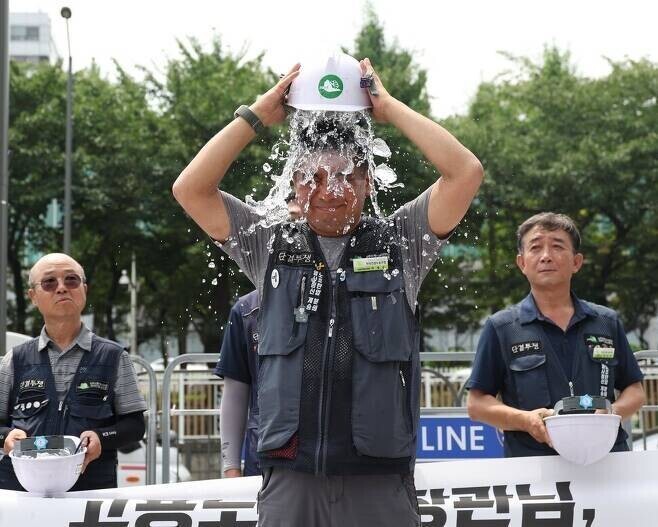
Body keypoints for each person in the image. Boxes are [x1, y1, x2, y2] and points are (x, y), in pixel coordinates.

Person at [173, 54, 483, 526]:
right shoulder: (270, 245)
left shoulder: (402, 243)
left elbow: (465, 172)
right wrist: (256, 116)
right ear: (294, 185)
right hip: (291, 478)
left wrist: (390, 108)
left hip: (379, 477)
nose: (329, 189)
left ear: (366, 182)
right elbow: (190, 189)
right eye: (314, 177)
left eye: (344, 177)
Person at [466, 213, 646, 457]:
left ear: (576, 262)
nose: (546, 256)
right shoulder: (502, 327)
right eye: (536, 247)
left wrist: (611, 413)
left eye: (558, 246)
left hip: (607, 461)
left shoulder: (605, 322)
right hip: (535, 470)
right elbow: (477, 404)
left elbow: (635, 390)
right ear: (522, 263)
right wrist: (525, 420)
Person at [0, 253, 147, 491]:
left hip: (89, 493)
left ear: (84, 290)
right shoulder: (15, 359)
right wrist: (6, 438)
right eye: (49, 282)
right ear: (33, 296)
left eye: (71, 280)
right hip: (20, 495)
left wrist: (102, 437)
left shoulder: (114, 357)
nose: (61, 288)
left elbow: (135, 426)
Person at [216, 195, 301, 478]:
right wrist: (230, 467)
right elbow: (236, 391)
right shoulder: (247, 310)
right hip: (267, 460)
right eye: (288, 226)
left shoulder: (349, 294)